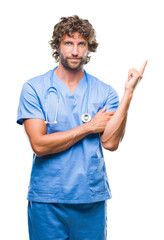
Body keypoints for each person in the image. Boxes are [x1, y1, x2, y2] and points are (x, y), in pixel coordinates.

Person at [17, 15, 147, 240]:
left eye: (81, 44)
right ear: (58, 46)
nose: (75, 51)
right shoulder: (34, 88)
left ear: (89, 48)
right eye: (68, 43)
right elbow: (39, 145)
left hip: (90, 198)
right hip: (47, 200)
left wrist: (128, 92)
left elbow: (110, 142)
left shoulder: (104, 92)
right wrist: (89, 128)